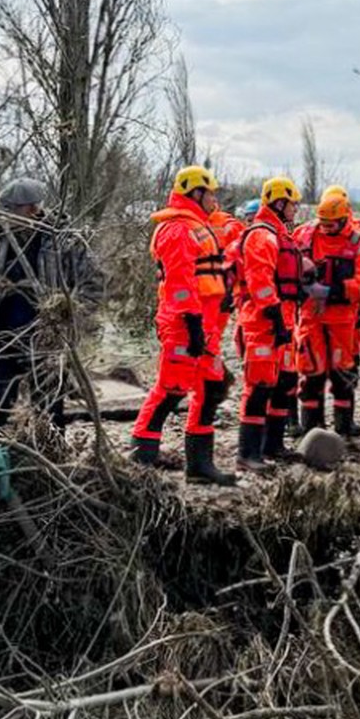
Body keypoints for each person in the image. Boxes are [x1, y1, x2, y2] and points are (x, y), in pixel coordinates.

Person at [132, 166, 237, 484]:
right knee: (170, 390)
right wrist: (192, 322)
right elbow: (180, 284)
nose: (214, 199)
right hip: (183, 323)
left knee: (212, 387)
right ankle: (141, 460)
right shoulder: (176, 229)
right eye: (211, 193)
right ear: (196, 193)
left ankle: (199, 466)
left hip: (205, 326)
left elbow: (209, 273)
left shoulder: (198, 227)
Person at [0, 177, 99, 433]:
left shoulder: (64, 242)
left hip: (46, 337)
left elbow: (94, 282)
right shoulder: (0, 242)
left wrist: (71, 314)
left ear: (33, 209)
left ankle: (51, 458)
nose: (7, 215)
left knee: (49, 404)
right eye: (6, 209)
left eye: (12, 209)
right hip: (5, 335)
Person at [294, 186, 360, 438]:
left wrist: (332, 291)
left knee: (344, 373)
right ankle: (311, 427)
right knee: (311, 372)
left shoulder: (359, 242)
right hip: (311, 316)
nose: (326, 228)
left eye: (332, 224)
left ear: (344, 219)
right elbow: (287, 260)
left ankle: (344, 426)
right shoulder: (305, 235)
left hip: (343, 318)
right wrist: (303, 279)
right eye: (324, 223)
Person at [234, 177, 306, 469]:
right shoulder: (262, 235)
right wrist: (274, 314)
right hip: (263, 322)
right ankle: (247, 454)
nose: (296, 210)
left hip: (284, 321)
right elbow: (260, 281)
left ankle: (273, 445)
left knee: (285, 382)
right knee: (259, 386)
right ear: (279, 202)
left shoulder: (279, 235)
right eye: (293, 204)